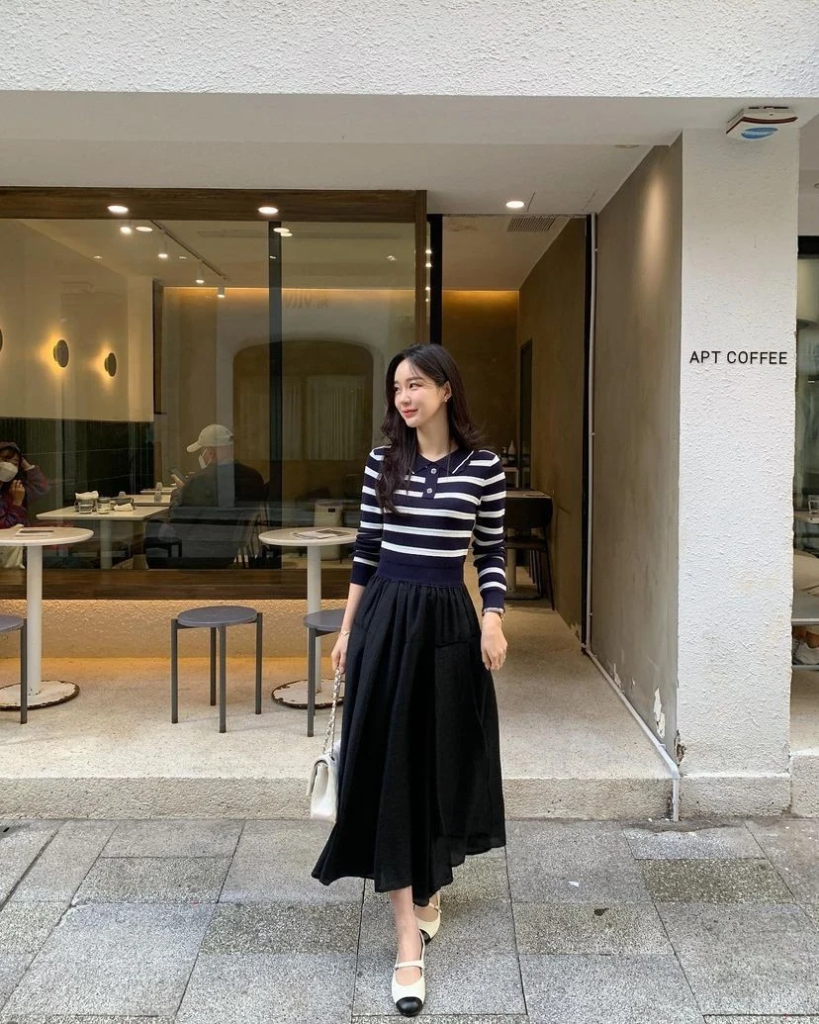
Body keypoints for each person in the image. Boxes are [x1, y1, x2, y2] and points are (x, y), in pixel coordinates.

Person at [312, 344, 508, 1016]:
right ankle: (405, 941)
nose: (404, 397)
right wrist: (345, 632)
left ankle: (426, 889)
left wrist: (493, 621)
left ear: (447, 389)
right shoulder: (381, 463)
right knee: (391, 765)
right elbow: (365, 552)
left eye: (416, 384)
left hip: (448, 627)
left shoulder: (482, 468)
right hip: (387, 623)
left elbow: (489, 550)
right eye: (397, 386)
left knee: (438, 762)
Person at [146, 424, 266, 568]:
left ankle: (157, 582)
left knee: (152, 525)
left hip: (197, 553)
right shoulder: (254, 476)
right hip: (230, 550)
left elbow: (178, 522)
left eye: (202, 451)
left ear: (210, 453)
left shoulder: (200, 480)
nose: (201, 455)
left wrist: (180, 492)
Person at [0, 442, 50, 568]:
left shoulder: (12, 488)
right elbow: (5, 529)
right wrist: (17, 503)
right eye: (5, 460)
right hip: (8, 558)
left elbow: (41, 487)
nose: (9, 466)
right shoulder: (15, 495)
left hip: (24, 549)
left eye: (14, 463)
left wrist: (24, 463)